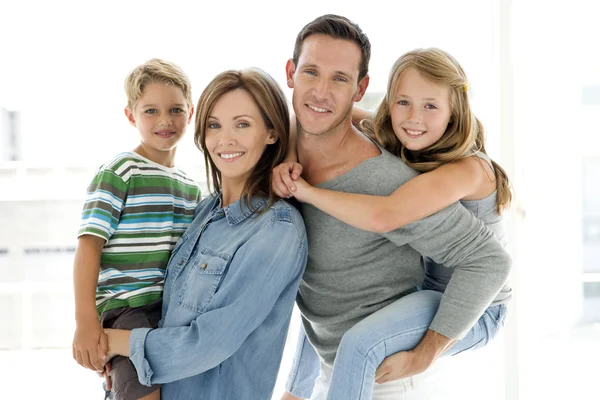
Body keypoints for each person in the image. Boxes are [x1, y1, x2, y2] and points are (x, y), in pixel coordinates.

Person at [274, 14, 511, 400]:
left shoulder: (449, 173)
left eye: (339, 79)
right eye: (404, 103)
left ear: (358, 87)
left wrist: (427, 352)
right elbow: (322, 112)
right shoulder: (392, 137)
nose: (414, 118)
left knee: (358, 342)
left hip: (468, 313)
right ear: (291, 73)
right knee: (325, 292)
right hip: (352, 350)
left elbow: (388, 215)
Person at [101, 68, 309, 400]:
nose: (225, 139)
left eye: (242, 124)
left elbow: (207, 344)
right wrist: (121, 364)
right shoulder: (202, 211)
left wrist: (112, 342)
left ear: (272, 132)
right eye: (214, 125)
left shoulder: (276, 229)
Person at [72, 58, 201, 400]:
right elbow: (88, 247)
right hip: (126, 309)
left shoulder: (191, 188)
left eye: (175, 110)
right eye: (150, 111)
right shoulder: (120, 171)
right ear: (131, 116)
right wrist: (86, 322)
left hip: (169, 313)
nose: (164, 121)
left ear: (191, 112)